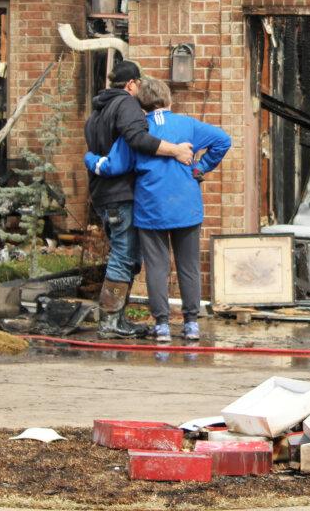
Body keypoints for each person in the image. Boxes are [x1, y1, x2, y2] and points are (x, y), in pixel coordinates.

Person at [85, 78, 230, 343]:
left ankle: (162, 325)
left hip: (151, 207)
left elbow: (113, 167)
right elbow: (223, 140)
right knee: (189, 266)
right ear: (169, 100)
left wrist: (90, 158)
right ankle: (190, 324)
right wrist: (201, 167)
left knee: (157, 267)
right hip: (186, 205)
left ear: (141, 104)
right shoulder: (188, 125)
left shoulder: (138, 131)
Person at [84, 61, 194, 338]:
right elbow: (137, 138)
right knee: (124, 256)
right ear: (131, 84)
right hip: (121, 194)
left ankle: (117, 320)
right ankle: (110, 321)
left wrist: (92, 162)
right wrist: (176, 151)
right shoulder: (126, 105)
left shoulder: (97, 111)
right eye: (138, 84)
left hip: (102, 194)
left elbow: (101, 152)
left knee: (126, 256)